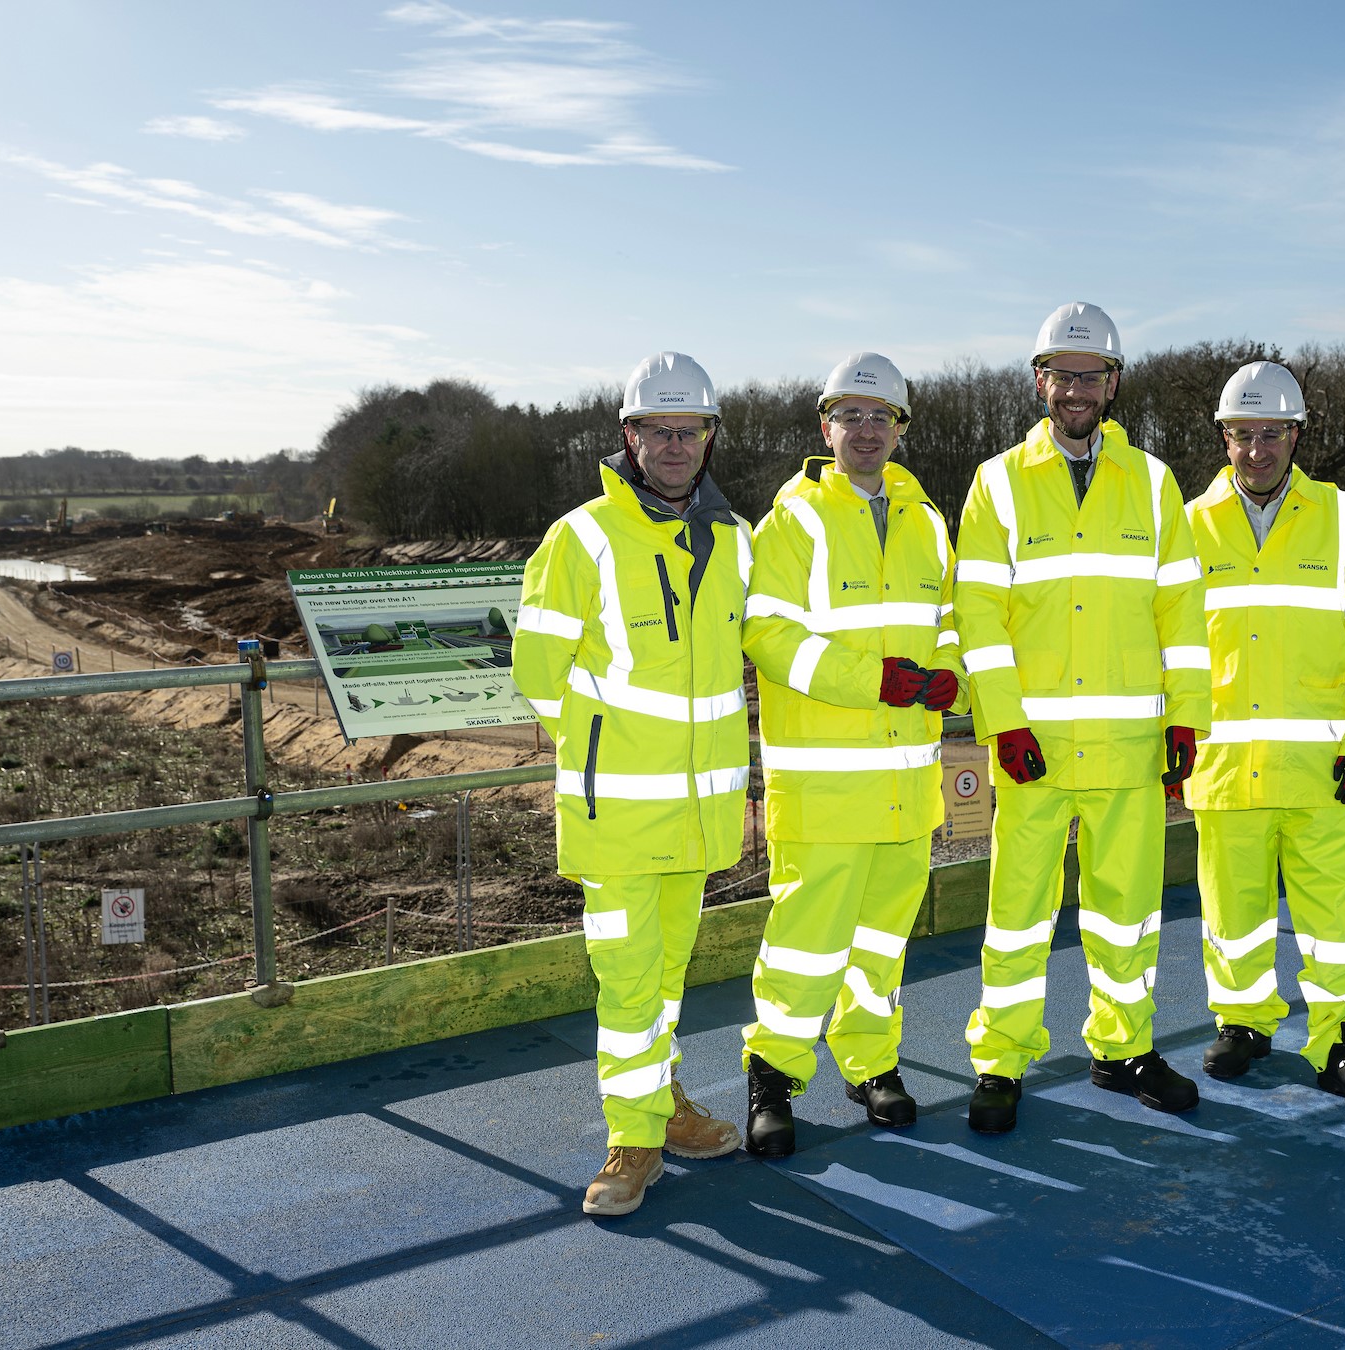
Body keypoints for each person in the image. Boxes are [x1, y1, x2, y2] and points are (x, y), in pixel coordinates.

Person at [954, 302, 1210, 1133]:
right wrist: (1004, 722)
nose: (1075, 389)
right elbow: (978, 615)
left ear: (1113, 384)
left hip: (1131, 748)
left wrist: (1186, 718)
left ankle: (1123, 1047)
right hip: (1033, 751)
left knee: (1125, 911)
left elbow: (1181, 610)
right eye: (1061, 374)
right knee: (1019, 911)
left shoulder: (1154, 482)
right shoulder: (997, 482)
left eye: (1090, 375)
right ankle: (1000, 1060)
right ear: (1040, 382)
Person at [511, 351, 751, 1214]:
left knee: (671, 971)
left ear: (711, 437)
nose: (675, 445)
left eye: (690, 430)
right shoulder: (580, 537)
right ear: (630, 436)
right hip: (616, 813)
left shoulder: (735, 539)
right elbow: (537, 672)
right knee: (626, 979)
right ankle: (633, 1136)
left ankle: (665, 1103)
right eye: (659, 430)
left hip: (697, 813)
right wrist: (607, 751)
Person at [738, 352, 962, 1156]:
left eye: (882, 417)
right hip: (826, 788)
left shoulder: (928, 518)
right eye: (851, 416)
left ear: (901, 428)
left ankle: (872, 1064)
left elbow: (951, 621)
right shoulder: (792, 519)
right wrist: (879, 682)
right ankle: (774, 1076)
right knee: (805, 942)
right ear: (824, 426)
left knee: (880, 943)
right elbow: (766, 634)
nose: (866, 431)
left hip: (907, 785)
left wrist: (949, 674)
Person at [1181, 361, 1345, 1118]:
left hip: (1320, 769)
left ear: (1296, 434)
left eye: (1270, 433)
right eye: (1241, 435)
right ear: (1224, 437)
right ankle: (1242, 1021)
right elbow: (1170, 645)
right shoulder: (1188, 523)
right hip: (1225, 765)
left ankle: (1344, 1043)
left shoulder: (1342, 518)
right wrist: (1170, 737)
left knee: (1335, 918)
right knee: (1231, 911)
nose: (1256, 450)